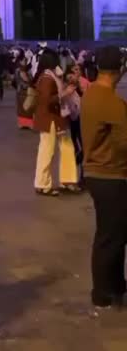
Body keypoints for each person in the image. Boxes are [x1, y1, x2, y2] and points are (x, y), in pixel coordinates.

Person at [81, 46, 127, 310]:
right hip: (111, 174)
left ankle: (116, 284)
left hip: (95, 173)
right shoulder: (112, 102)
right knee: (110, 237)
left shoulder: (91, 94)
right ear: (119, 71)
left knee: (114, 233)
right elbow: (124, 143)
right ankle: (102, 292)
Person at [33, 48, 80, 196]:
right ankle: (44, 183)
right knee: (48, 150)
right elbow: (47, 100)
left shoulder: (50, 76)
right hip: (51, 119)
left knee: (65, 148)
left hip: (57, 118)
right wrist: (65, 93)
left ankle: (66, 180)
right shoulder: (47, 78)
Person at [14, 52, 34, 129]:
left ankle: (24, 124)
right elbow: (25, 79)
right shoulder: (20, 70)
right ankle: (25, 124)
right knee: (24, 108)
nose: (25, 62)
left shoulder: (22, 69)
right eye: (24, 60)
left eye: (26, 61)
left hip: (21, 90)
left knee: (24, 108)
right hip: (23, 90)